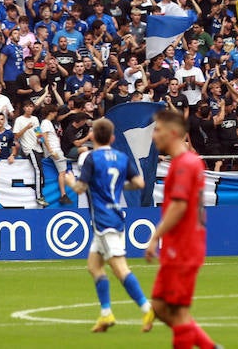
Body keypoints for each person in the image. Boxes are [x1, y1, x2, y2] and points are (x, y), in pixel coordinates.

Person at [63, 117, 155, 333]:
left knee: (119, 268)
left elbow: (80, 188)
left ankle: (147, 307)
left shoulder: (92, 159)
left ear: (92, 136)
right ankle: (106, 314)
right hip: (113, 216)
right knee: (94, 266)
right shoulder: (121, 157)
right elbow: (139, 183)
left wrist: (69, 182)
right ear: (113, 138)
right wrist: (115, 186)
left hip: (105, 221)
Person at [143, 108, 218, 348]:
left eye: (157, 130)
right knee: (160, 306)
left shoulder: (185, 163)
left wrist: (155, 236)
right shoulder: (184, 162)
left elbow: (179, 205)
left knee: (178, 311)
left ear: (173, 132)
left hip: (184, 246)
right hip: (179, 245)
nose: (153, 135)